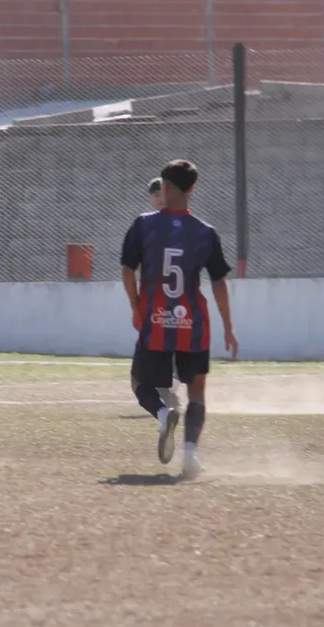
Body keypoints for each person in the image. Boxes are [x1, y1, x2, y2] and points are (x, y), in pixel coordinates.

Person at [120, 160, 238, 479]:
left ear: (166, 188)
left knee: (140, 383)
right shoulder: (205, 232)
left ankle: (162, 413)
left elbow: (128, 269)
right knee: (196, 391)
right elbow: (218, 281)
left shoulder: (143, 225)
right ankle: (189, 455)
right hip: (193, 325)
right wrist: (228, 326)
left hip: (155, 321)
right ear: (193, 190)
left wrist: (135, 306)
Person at [144, 176, 181, 413]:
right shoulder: (148, 225)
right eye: (154, 195)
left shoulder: (181, 221)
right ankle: (166, 390)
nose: (159, 199)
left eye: (162, 194)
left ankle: (170, 388)